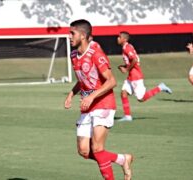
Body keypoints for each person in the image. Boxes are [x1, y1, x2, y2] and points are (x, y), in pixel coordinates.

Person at [64, 19, 133, 180]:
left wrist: (93, 96)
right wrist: (71, 94)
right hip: (88, 105)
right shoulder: (74, 55)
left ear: (82, 35)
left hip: (103, 103)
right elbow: (83, 79)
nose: (69, 36)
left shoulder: (95, 52)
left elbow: (112, 81)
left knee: (97, 148)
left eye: (72, 33)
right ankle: (123, 159)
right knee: (84, 151)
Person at [117, 31, 172, 121]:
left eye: (119, 37)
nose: (117, 38)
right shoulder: (126, 47)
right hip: (131, 75)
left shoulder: (127, 48)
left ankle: (160, 87)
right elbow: (132, 61)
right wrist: (124, 66)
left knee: (141, 98)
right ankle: (127, 116)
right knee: (123, 93)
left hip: (135, 76)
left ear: (124, 39)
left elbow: (134, 60)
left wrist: (126, 69)